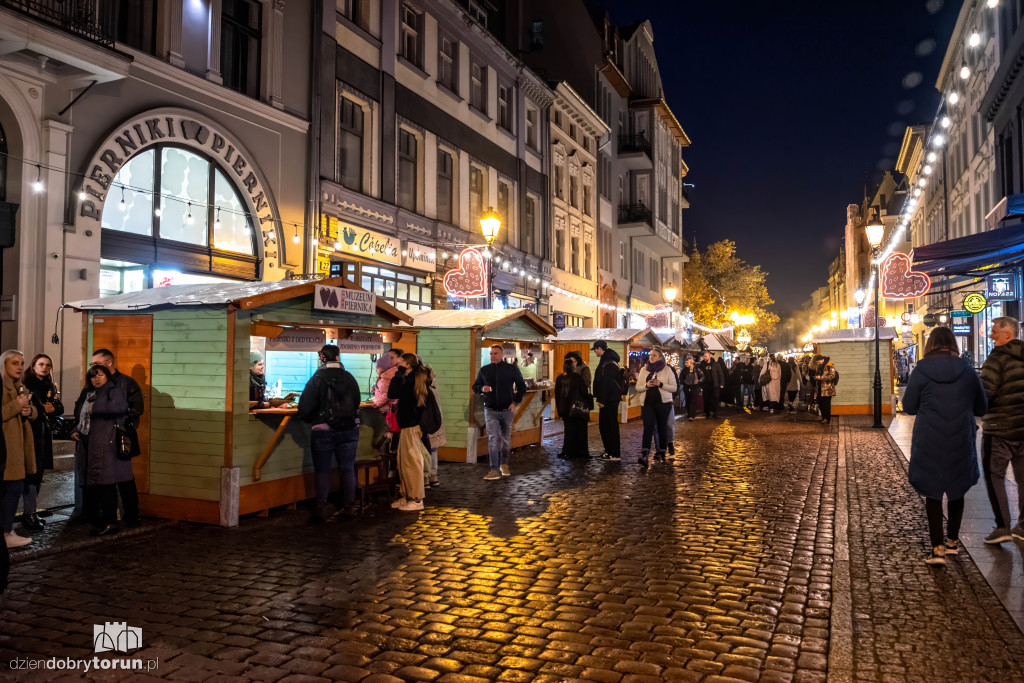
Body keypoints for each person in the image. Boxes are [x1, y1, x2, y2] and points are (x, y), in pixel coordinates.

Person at [902, 326, 988, 565]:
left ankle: (937, 549)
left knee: (933, 491)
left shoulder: (921, 370)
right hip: (960, 436)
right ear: (953, 343)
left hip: (930, 436)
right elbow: (982, 408)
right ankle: (952, 543)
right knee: (957, 488)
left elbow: (908, 406)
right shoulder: (968, 371)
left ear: (930, 344)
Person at [297, 344, 362, 523]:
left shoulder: (318, 378)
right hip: (349, 428)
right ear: (338, 357)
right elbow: (356, 401)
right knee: (348, 468)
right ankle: (349, 506)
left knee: (322, 471)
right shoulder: (349, 377)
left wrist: (310, 419)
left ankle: (321, 509)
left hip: (324, 430)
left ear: (321, 358)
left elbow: (305, 407)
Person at [77, 349, 142, 526]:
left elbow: (131, 409)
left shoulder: (124, 384)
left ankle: (129, 515)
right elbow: (80, 408)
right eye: (92, 367)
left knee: (122, 480)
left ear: (108, 363)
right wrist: (78, 427)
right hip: (94, 439)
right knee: (99, 479)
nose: (94, 372)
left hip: (117, 439)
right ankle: (95, 514)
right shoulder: (91, 387)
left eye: (96, 365)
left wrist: (117, 425)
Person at [979, 316, 1024, 544]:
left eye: (995, 331)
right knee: (1023, 477)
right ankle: (1022, 526)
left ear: (1008, 334)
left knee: (994, 475)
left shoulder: (997, 359)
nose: (991, 335)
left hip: (999, 428)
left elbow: (985, 392)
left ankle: (1003, 526)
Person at [72, 364, 131, 537]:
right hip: (89, 443)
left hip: (106, 445)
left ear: (107, 376)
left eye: (100, 375)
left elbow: (119, 408)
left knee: (106, 484)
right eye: (93, 376)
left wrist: (94, 408)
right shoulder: (89, 393)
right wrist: (75, 430)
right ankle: (98, 518)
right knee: (95, 484)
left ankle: (110, 522)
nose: (96, 379)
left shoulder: (114, 391)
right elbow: (83, 418)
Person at [20, 354, 62, 531]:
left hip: (44, 434)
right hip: (30, 434)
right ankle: (29, 513)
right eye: (41, 364)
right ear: (33, 365)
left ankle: (31, 511)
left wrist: (53, 408)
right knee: (31, 474)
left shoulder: (50, 386)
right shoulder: (26, 385)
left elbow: (59, 407)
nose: (44, 368)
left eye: (48, 365)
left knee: (38, 474)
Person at [473, 345, 526, 480]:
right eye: (491, 354)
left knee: (506, 439)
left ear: (502, 354)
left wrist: (515, 402)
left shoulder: (511, 369)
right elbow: (475, 386)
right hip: (490, 410)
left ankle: (504, 463)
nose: (493, 356)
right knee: (492, 439)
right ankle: (494, 469)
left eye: (496, 353)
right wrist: (481, 388)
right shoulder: (484, 370)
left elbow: (521, 387)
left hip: (507, 410)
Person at [1, 350, 37, 548]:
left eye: (22, 363)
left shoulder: (20, 387)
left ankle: (7, 531)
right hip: (6, 450)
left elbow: (34, 410)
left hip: (17, 449)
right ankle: (6, 533)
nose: (20, 366)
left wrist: (29, 410)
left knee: (13, 490)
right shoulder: (4, 389)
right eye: (14, 362)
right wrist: (17, 405)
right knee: (11, 490)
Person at [387, 353, 430, 510]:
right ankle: (406, 495)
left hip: (412, 425)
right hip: (406, 425)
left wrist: (397, 376)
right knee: (404, 462)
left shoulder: (411, 381)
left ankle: (417, 499)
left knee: (412, 463)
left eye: (399, 364)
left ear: (408, 365)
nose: (396, 367)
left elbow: (392, 394)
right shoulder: (411, 379)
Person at [634, 348, 676, 467]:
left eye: (654, 355)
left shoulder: (667, 370)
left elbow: (674, 387)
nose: (651, 357)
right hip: (647, 404)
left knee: (662, 427)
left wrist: (661, 384)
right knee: (648, 427)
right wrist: (646, 385)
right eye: (650, 355)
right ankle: (645, 453)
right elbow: (638, 387)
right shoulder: (644, 370)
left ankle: (661, 451)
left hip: (663, 404)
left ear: (660, 357)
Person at [592, 340, 624, 462]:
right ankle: (609, 451)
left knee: (610, 426)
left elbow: (606, 383)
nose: (595, 352)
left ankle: (614, 453)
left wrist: (602, 399)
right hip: (609, 399)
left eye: (595, 349)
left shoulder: (608, 362)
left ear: (599, 348)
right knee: (605, 426)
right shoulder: (607, 360)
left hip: (609, 400)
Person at [555, 359, 592, 460]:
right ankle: (581, 453)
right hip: (577, 409)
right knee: (581, 431)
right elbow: (584, 392)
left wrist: (560, 412)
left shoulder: (559, 379)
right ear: (573, 367)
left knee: (569, 431)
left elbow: (557, 396)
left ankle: (568, 451)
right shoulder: (577, 378)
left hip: (565, 410)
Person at [700, 351, 724, 419]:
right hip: (706, 385)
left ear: (709, 356)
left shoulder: (715, 364)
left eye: (706, 356)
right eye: (704, 356)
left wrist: (722, 383)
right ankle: (707, 414)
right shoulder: (702, 364)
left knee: (715, 400)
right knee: (706, 400)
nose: (704, 357)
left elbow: (720, 374)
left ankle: (715, 413)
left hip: (714, 385)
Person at [680, 355, 703, 421]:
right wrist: (684, 382)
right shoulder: (684, 370)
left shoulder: (696, 369)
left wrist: (699, 381)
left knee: (693, 401)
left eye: (687, 362)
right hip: (687, 387)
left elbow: (702, 376)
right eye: (685, 362)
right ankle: (689, 413)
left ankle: (692, 415)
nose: (686, 364)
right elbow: (681, 378)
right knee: (688, 400)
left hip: (695, 387)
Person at [817, 357, 839, 424]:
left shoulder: (830, 366)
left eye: (819, 361)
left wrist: (821, 378)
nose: (818, 362)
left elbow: (832, 376)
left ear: (822, 360)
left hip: (827, 389)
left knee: (826, 404)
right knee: (821, 404)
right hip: (820, 389)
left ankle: (826, 418)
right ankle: (824, 417)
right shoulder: (820, 367)